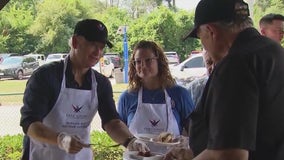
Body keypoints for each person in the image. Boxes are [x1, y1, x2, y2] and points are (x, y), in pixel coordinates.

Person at [165, 0, 284, 160]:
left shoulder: (235, 65)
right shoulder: (275, 52)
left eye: (200, 37)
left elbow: (228, 154)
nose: (204, 46)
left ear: (211, 31)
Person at [20, 19, 149, 160]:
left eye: (101, 47)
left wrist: (131, 141)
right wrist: (60, 139)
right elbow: (30, 123)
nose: (98, 52)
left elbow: (112, 122)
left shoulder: (101, 83)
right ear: (75, 42)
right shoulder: (46, 76)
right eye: (93, 45)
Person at [117, 40, 194, 153]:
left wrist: (185, 143)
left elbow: (194, 131)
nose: (142, 65)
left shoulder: (179, 94)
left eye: (148, 60)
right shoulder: (127, 97)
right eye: (138, 61)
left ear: (159, 61)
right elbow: (119, 132)